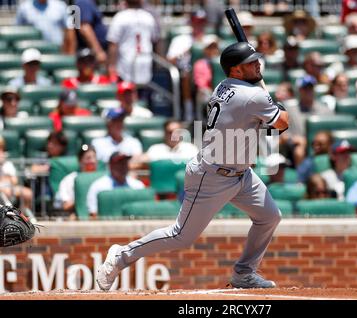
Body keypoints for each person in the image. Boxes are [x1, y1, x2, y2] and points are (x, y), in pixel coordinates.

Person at [96, 41, 289, 290]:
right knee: (181, 235)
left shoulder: (225, 87)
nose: (257, 65)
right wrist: (278, 109)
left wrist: (271, 110)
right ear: (235, 70)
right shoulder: (253, 95)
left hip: (242, 174)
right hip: (212, 176)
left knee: (269, 217)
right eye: (250, 63)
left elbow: (255, 120)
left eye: (256, 60)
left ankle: (244, 273)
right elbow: (282, 123)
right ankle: (120, 256)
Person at [107, 0, 159, 86]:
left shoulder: (120, 17)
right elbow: (156, 42)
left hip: (127, 65)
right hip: (143, 64)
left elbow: (113, 45)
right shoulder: (149, 17)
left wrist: (111, 67)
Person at [86, 151, 145, 219]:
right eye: (119, 163)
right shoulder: (98, 186)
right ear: (110, 166)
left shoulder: (138, 185)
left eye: (124, 163)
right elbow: (93, 215)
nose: (122, 166)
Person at [53, 144, 98, 219]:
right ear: (80, 161)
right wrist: (82, 198)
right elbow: (66, 206)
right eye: (88, 158)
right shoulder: (69, 179)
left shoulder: (103, 178)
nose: (92, 161)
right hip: (78, 214)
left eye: (94, 157)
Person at [0, 136, 33, 211]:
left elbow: (14, 181)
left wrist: (2, 165)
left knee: (28, 193)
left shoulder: (7, 164)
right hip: (2, 189)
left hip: (9, 188)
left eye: (1, 149)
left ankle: (22, 217)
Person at [74, 0, 108, 65]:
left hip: (91, 53)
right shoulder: (83, 2)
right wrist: (98, 52)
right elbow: (84, 28)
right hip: (89, 55)